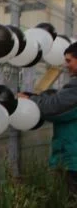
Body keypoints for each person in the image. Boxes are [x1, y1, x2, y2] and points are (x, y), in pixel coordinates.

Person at [19, 43, 77, 196]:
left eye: (69, 60)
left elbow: (53, 108)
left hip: (73, 161)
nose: (66, 65)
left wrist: (31, 100)